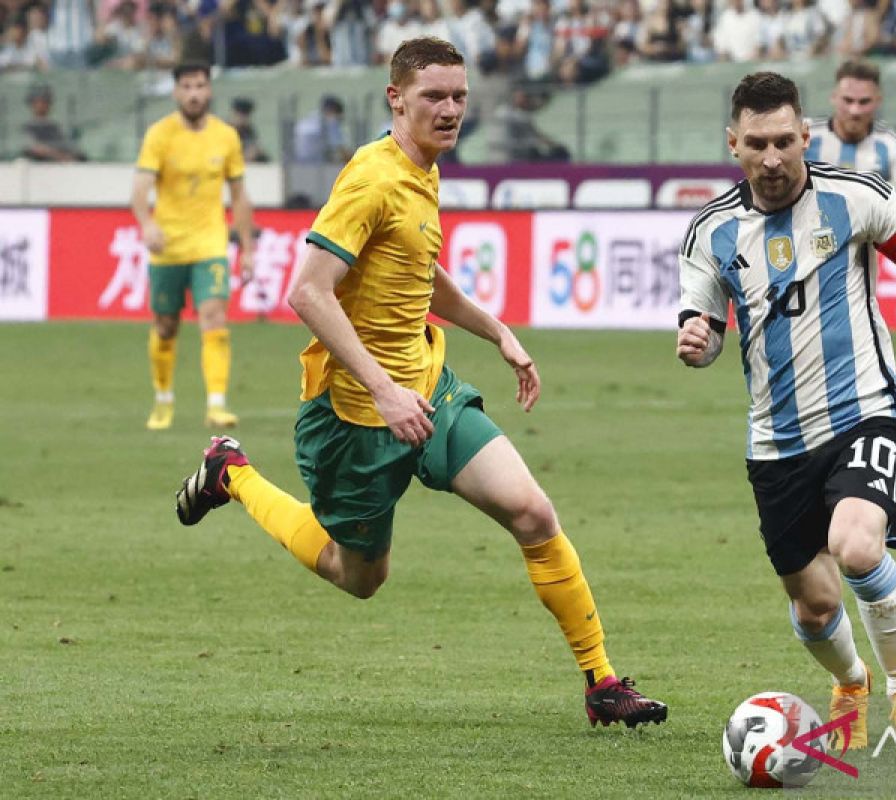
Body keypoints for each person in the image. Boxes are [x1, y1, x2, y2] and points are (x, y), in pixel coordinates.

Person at [172, 37, 667, 729]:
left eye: (459, 96)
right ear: (395, 99)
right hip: (354, 418)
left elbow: (416, 271)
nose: (450, 109)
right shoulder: (371, 179)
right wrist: (380, 388)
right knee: (358, 576)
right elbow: (309, 292)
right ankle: (232, 473)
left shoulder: (422, 170)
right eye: (434, 95)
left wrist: (496, 331)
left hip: (428, 387)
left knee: (533, 513)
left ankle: (601, 682)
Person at [676, 71, 896, 762]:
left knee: (857, 545)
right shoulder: (711, 232)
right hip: (777, 444)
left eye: (785, 142)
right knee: (815, 606)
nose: (772, 158)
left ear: (806, 135)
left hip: (869, 411)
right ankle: (851, 683)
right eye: (756, 143)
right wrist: (698, 343)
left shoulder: (855, 197)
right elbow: (701, 333)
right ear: (733, 144)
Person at [132, 62, 256, 431]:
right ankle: (163, 398)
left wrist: (247, 248)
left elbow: (239, 196)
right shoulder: (160, 134)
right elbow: (140, 189)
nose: (194, 93)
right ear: (176, 92)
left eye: (200, 85)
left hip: (210, 244)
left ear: (209, 90)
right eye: (186, 86)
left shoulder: (226, 137)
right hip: (168, 246)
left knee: (215, 318)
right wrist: (147, 224)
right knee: (166, 325)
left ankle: (217, 405)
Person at [805, 59, 896, 219]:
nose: (855, 110)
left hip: (870, 240)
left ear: (878, 101)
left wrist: (871, 219)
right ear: (833, 97)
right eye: (848, 100)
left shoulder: (891, 142)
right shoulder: (806, 135)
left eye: (864, 102)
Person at [20, 84, 86, 162]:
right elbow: (34, 148)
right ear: (32, 104)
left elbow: (67, 145)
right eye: (38, 101)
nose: (41, 105)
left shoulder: (54, 127)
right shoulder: (28, 127)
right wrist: (60, 156)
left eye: (45, 101)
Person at [292, 94, 353, 164]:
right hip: (318, 165)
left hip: (299, 162)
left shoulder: (309, 119)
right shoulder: (331, 121)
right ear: (333, 111)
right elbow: (340, 149)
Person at [230, 96, 270, 162]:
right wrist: (245, 157)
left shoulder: (249, 131)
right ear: (234, 113)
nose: (243, 118)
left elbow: (255, 148)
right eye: (240, 114)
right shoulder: (225, 130)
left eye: (246, 115)